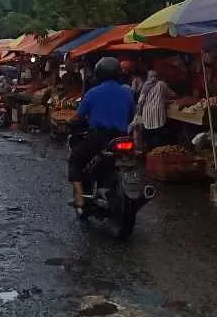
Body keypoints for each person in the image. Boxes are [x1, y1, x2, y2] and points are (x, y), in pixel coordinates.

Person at [69, 57, 134, 212]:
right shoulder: (127, 93)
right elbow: (131, 116)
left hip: (99, 138)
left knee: (75, 161)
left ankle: (79, 198)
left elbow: (78, 117)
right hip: (122, 137)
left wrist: (71, 122)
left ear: (99, 74)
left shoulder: (92, 93)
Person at [132, 68, 173, 150]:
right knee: (159, 135)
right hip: (158, 113)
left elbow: (140, 100)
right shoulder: (161, 84)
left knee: (149, 136)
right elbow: (170, 94)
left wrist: (138, 111)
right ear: (157, 76)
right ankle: (158, 151)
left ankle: (150, 152)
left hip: (147, 114)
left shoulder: (145, 85)